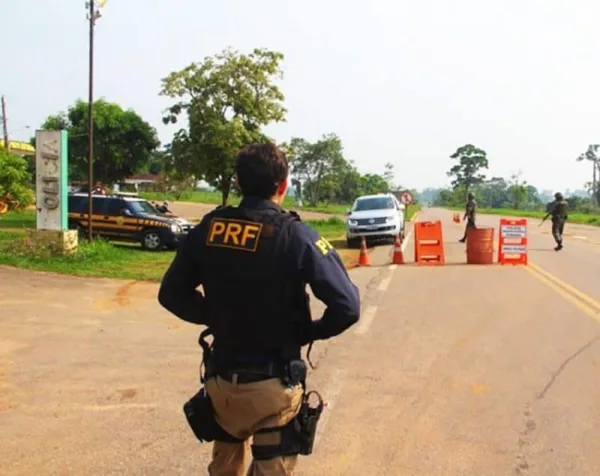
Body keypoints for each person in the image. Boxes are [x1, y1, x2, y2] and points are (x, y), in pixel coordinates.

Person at [157, 142, 361, 475]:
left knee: (225, 463)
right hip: (272, 391)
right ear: (283, 185)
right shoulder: (296, 236)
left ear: (237, 182)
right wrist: (307, 330)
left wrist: (217, 315)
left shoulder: (210, 228)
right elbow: (348, 306)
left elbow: (171, 293)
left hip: (222, 388)